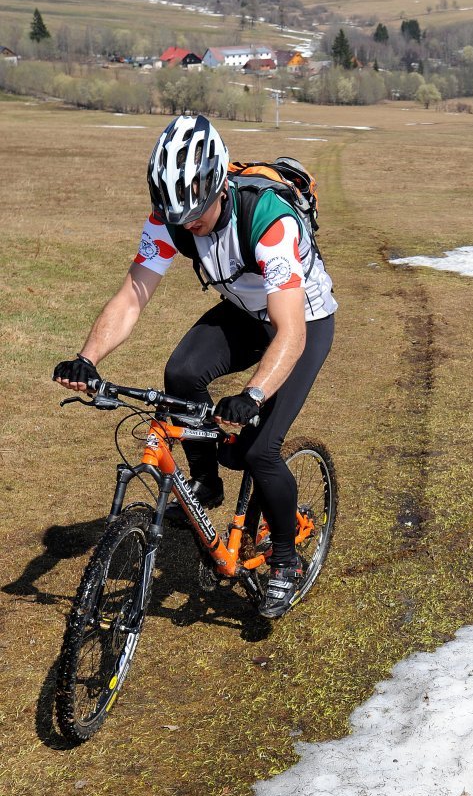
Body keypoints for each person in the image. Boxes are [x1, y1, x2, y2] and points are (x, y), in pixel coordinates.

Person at [53, 114, 337, 618]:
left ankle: (288, 561)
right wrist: (87, 358)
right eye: (175, 214)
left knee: (259, 450)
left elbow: (290, 333)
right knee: (181, 376)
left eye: (195, 213)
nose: (187, 224)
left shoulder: (270, 222)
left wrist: (252, 395)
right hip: (247, 311)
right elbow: (133, 295)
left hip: (302, 321)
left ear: (218, 185)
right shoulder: (170, 217)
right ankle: (206, 481)